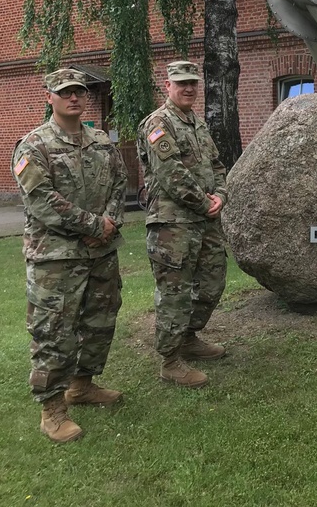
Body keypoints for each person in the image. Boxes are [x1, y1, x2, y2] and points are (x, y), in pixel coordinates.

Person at [11, 68, 128, 443]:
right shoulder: (34, 145)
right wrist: (96, 227)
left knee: (99, 321)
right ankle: (52, 409)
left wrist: (110, 221)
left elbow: (120, 182)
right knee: (54, 332)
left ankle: (82, 386)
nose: (73, 97)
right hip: (56, 258)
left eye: (78, 91)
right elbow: (43, 201)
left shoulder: (100, 141)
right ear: (50, 98)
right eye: (65, 92)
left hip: (101, 255)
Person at [137, 61, 229, 388]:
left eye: (193, 82)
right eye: (181, 83)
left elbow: (217, 164)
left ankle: (189, 337)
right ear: (168, 86)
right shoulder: (159, 124)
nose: (188, 88)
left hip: (204, 221)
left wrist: (221, 194)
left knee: (212, 280)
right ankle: (170, 360)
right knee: (174, 292)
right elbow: (172, 175)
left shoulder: (197, 124)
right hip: (172, 224)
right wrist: (208, 204)